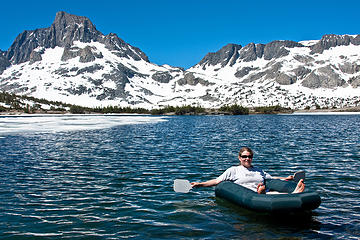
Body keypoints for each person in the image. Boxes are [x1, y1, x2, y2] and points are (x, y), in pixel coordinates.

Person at [191, 147, 305, 194]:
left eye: (249, 156)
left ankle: (295, 193)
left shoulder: (258, 170)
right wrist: (199, 184)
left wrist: (286, 178)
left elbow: (271, 178)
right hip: (249, 194)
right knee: (264, 193)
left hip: (263, 191)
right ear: (239, 158)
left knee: (274, 193)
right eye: (244, 156)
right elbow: (216, 181)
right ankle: (261, 193)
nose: (247, 159)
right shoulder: (234, 170)